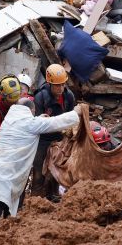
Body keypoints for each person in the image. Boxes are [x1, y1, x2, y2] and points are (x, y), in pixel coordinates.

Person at [0, 99, 85, 228]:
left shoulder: (9, 120)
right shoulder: (30, 124)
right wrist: (76, 113)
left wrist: (38, 118)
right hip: (1, 172)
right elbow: (56, 122)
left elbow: (29, 123)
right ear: (31, 111)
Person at [31, 64, 76, 199]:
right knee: (39, 169)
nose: (60, 88)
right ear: (50, 84)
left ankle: (54, 195)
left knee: (58, 169)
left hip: (60, 137)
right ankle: (36, 197)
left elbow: (70, 118)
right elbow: (38, 123)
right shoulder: (41, 98)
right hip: (43, 139)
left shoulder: (69, 97)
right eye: (57, 85)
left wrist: (68, 132)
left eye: (63, 84)